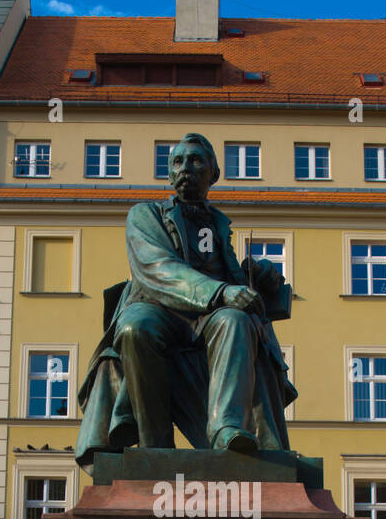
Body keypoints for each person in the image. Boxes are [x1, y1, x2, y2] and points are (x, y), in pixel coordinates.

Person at [75, 132, 296, 466]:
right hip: (157, 306)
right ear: (168, 174)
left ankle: (227, 429)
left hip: (209, 318)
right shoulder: (145, 214)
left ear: (213, 173)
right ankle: (156, 444)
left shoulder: (218, 225)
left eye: (195, 160)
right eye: (177, 161)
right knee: (136, 328)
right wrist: (222, 292)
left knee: (235, 320)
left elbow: (235, 283)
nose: (185, 168)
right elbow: (157, 268)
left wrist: (261, 279)